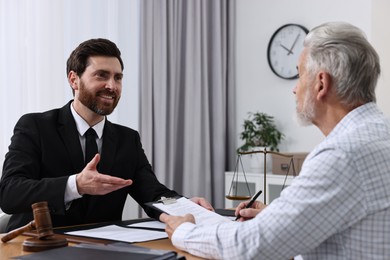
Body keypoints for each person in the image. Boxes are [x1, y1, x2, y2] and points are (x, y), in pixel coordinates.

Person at [160, 21, 390, 259]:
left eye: (300, 75)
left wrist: (184, 231)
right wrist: (281, 218)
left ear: (321, 83)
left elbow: (252, 247)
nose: (295, 89)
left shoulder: (341, 154)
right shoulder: (379, 133)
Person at [0, 38, 212, 232]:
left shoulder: (128, 139)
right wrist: (76, 185)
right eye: (101, 75)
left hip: (104, 249)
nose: (112, 86)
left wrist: (184, 206)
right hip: (37, 246)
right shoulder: (35, 126)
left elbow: (153, 193)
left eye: (117, 78)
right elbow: (10, 193)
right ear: (74, 80)